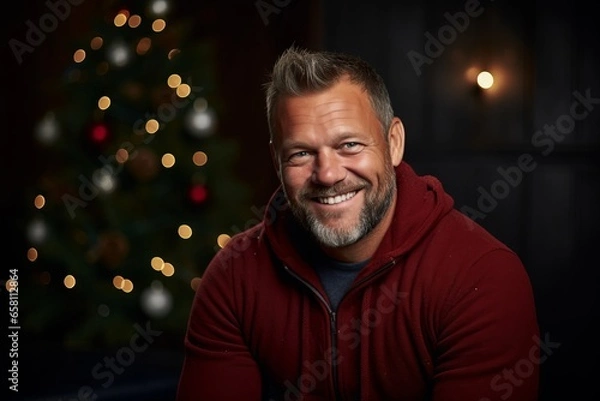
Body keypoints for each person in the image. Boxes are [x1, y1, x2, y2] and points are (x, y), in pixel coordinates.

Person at [176, 46, 540, 401]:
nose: (328, 174)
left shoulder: (482, 274)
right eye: (301, 153)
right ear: (277, 161)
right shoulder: (234, 276)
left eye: (349, 145)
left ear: (393, 142)